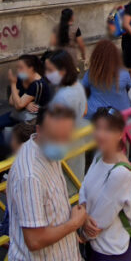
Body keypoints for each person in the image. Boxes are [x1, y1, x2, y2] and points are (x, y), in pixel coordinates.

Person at [6, 103, 87, 261]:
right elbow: (34, 240)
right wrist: (73, 224)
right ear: (39, 130)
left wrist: (78, 221)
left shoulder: (49, 151)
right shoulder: (30, 176)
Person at [79, 108, 131, 261]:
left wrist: (81, 230)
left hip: (110, 255)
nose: (100, 134)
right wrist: (83, 211)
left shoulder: (120, 174)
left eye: (108, 129)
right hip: (98, 250)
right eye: (97, 128)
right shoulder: (99, 156)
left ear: (120, 134)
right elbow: (84, 185)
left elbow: (99, 222)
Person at [0, 55, 52, 149]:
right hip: (20, 113)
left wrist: (13, 85)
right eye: (17, 68)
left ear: (31, 68)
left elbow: (18, 105)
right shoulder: (20, 79)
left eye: (21, 68)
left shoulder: (38, 84)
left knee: (19, 139)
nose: (18, 71)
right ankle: (2, 155)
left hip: (33, 119)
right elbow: (11, 101)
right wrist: (25, 104)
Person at [45, 50, 88, 182]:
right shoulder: (76, 84)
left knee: (69, 189)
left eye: (51, 70)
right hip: (77, 141)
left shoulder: (64, 96)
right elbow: (85, 110)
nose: (47, 74)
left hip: (66, 149)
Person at [0, 121, 37, 236]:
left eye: (13, 139)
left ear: (21, 144)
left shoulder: (18, 166)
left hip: (19, 213)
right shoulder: (36, 161)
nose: (11, 143)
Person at [81, 41, 131, 115]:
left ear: (95, 57)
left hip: (94, 113)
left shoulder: (91, 73)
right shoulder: (124, 74)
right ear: (116, 56)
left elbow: (81, 88)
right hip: (121, 114)